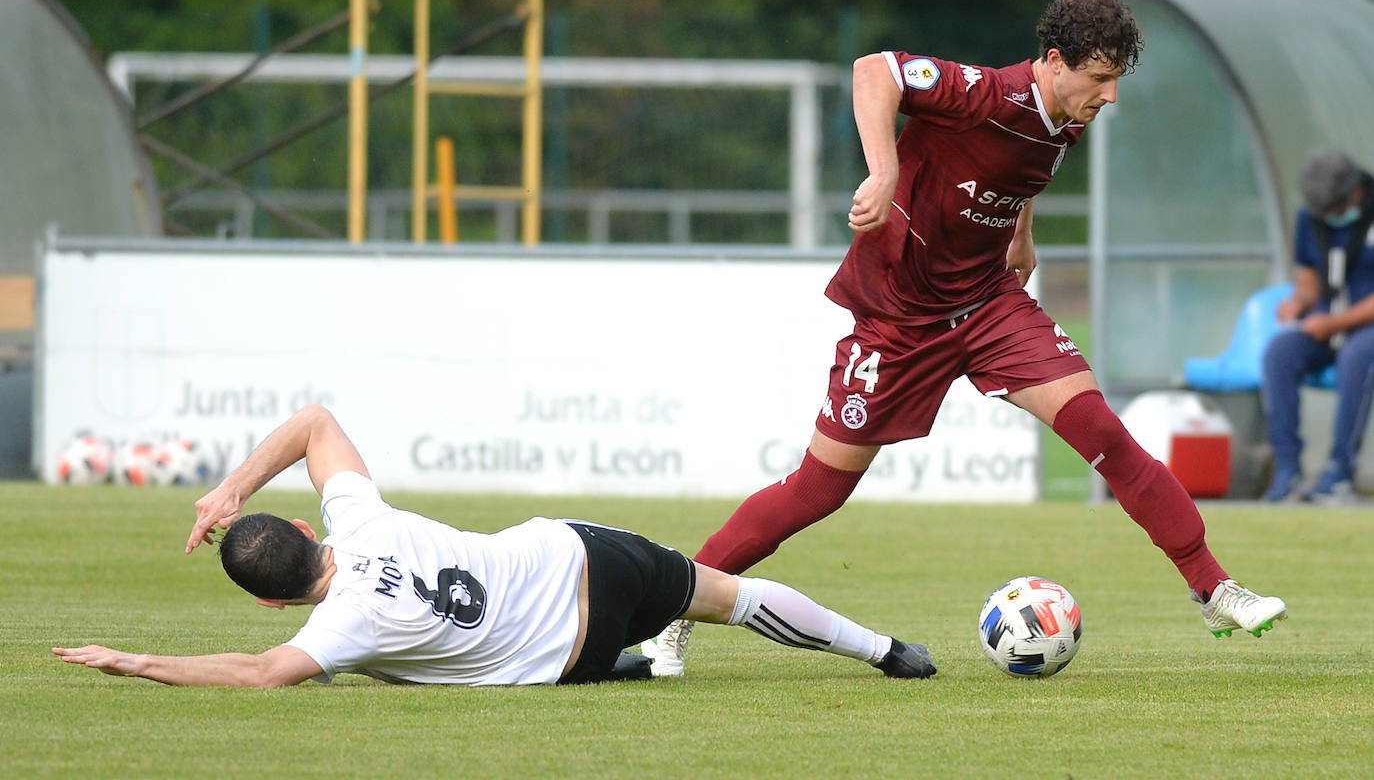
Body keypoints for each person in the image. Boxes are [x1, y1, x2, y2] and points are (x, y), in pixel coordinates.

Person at [642, 0, 1287, 677]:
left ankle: (1212, 586)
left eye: (1117, 80)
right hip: (898, 317)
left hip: (988, 303)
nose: (1110, 96)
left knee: (1101, 429)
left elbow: (1022, 168)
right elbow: (873, 71)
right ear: (1053, 60)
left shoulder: (1068, 118)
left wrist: (1021, 231)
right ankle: (676, 609)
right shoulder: (983, 92)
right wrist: (883, 170)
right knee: (817, 490)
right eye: (1099, 78)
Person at [52, 404, 936, 687]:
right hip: (582, 555)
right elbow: (316, 421)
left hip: (565, 654)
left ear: (269, 601)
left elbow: (258, 673)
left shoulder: (336, 632)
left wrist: (129, 660)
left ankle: (625, 666)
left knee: (457, 666)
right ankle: (887, 651)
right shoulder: (361, 519)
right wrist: (232, 489)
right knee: (728, 597)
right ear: (302, 526)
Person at [1260, 149, 1374, 503]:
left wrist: (1336, 322)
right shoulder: (1310, 218)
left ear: (1355, 192)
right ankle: (1288, 470)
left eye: (1333, 209)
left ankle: (1340, 472)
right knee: (1280, 350)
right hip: (1329, 322)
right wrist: (1298, 304)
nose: (1328, 217)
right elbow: (1308, 281)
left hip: (1365, 326)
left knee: (1357, 356)